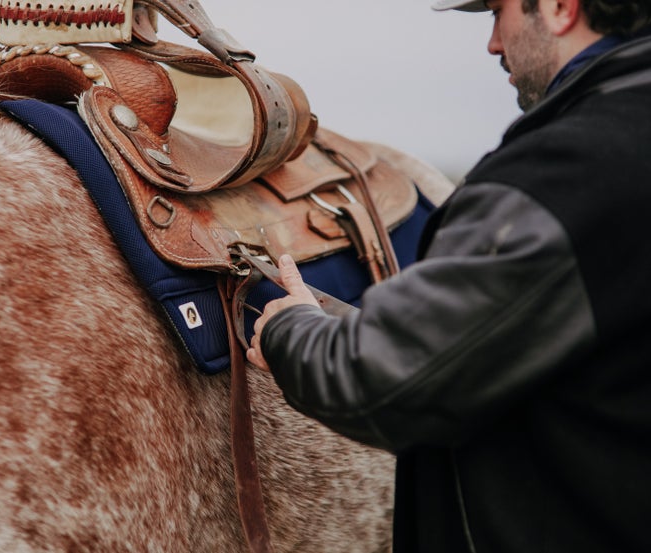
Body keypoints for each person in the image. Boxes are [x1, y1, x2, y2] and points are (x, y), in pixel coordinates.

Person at [246, 0, 651, 551]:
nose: (492, 43)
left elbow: (384, 384)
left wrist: (287, 329)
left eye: (499, 12)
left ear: (560, 8)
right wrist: (339, 319)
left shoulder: (566, 174)